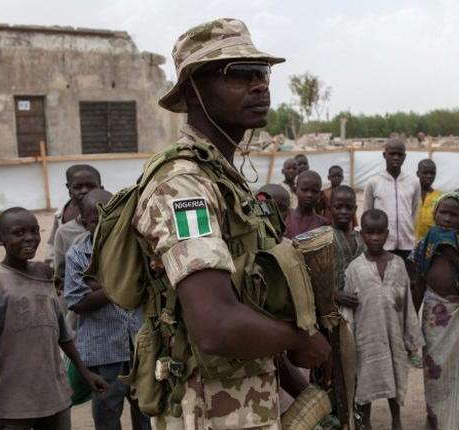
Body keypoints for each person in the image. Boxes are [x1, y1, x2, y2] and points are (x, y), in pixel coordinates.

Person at [127, 18, 330, 428]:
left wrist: (302, 388)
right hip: (207, 411)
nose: (259, 85)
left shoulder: (224, 178)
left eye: (262, 73)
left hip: (246, 404)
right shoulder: (185, 185)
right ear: (192, 91)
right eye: (238, 74)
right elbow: (216, 326)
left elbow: (250, 304)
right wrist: (301, 340)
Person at [0, 207, 108, 430]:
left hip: (56, 397)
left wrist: (85, 372)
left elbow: (62, 333)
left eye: (34, 231)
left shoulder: (44, 274)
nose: (30, 238)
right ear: (0, 239)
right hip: (14, 403)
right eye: (19, 233)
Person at [64, 190, 150, 430]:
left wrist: (99, 287)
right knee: (106, 417)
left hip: (140, 348)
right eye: (95, 220)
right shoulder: (78, 253)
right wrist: (123, 283)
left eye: (110, 218)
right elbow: (77, 303)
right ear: (82, 220)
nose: (103, 225)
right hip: (103, 352)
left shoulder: (136, 248)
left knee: (147, 413)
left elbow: (148, 284)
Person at [410, 193, 459, 430]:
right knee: (434, 370)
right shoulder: (426, 244)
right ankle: (433, 418)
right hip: (434, 314)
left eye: (453, 215)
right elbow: (420, 281)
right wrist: (412, 318)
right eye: (442, 213)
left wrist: (451, 252)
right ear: (434, 214)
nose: (446, 218)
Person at [344, 209, 424, 430]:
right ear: (362, 235)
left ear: (387, 234)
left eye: (380, 233)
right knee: (366, 382)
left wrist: (411, 341)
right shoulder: (354, 268)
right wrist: (348, 340)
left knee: (395, 377)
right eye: (370, 233)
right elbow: (348, 310)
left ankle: (396, 421)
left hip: (394, 336)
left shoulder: (398, 264)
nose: (375, 238)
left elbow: (407, 302)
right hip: (366, 337)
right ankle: (366, 422)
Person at [362, 137, 421, 260]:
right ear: (384, 155)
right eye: (392, 154)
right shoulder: (373, 182)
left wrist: (409, 230)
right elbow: (367, 213)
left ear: (404, 157)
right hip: (382, 244)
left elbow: (414, 212)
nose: (395, 157)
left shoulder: (413, 183)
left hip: (407, 244)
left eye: (399, 154)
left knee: (405, 277)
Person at [44, 164, 103, 266]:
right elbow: (53, 245)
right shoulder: (62, 215)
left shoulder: (112, 214)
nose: (84, 191)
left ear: (101, 188)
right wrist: (52, 266)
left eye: (91, 186)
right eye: (77, 187)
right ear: (69, 189)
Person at [285, 170, 331, 239]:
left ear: (320, 194)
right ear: (295, 190)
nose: (309, 195)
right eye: (304, 190)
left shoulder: (324, 225)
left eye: (314, 191)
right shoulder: (285, 219)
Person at [414, 159, 442, 241]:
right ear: (418, 173)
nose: (429, 176)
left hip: (429, 243)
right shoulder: (409, 194)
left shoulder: (439, 197)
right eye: (425, 173)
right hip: (408, 243)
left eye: (432, 173)